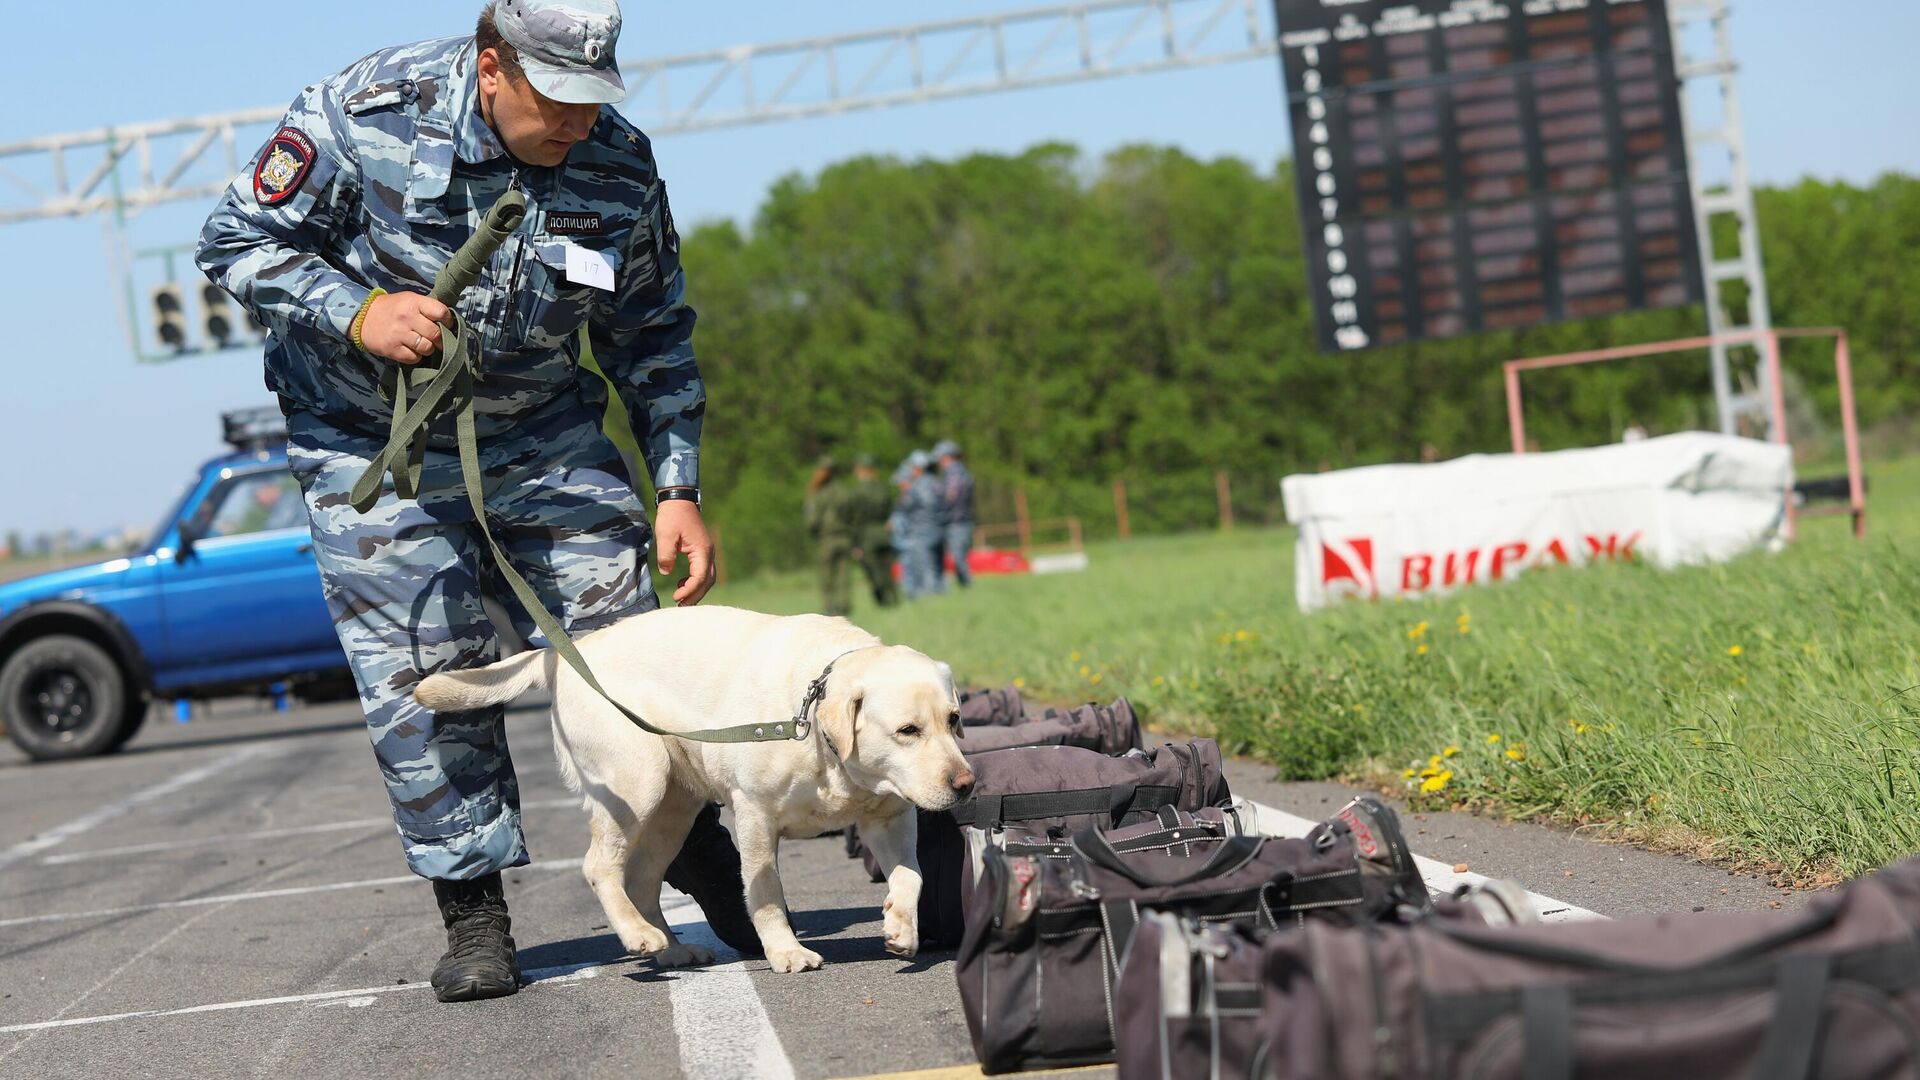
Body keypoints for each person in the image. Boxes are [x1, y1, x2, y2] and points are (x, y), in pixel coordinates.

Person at [196, 0, 757, 1003]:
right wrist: (358, 312)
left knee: (627, 644)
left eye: (596, 98)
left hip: (543, 430)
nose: (579, 121)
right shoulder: (362, 112)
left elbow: (652, 335)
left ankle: (693, 847)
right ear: (491, 66)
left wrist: (678, 486)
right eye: (558, 99)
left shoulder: (617, 166)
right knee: (428, 669)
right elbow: (235, 241)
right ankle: (476, 912)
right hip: (373, 439)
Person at [803, 455, 855, 617]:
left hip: (826, 539)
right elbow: (852, 515)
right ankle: (844, 607)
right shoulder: (845, 491)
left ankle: (830, 608)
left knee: (827, 576)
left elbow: (811, 521)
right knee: (844, 575)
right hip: (845, 537)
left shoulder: (816, 493)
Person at [849, 455, 899, 608]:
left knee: (873, 572)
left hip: (866, 537)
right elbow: (890, 512)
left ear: (860, 470)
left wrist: (855, 544)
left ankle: (883, 603)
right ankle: (895, 599)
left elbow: (856, 520)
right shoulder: (882, 489)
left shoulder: (857, 492)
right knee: (887, 570)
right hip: (884, 534)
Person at [896, 450, 944, 599]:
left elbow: (905, 507)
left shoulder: (915, 487)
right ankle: (940, 595)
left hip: (920, 532)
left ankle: (929, 599)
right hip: (938, 530)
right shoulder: (937, 483)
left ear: (919, 467)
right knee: (937, 567)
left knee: (923, 568)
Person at [932, 439, 975, 588]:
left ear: (948, 457)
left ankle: (968, 587)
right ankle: (965, 587)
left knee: (958, 558)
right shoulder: (957, 473)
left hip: (956, 522)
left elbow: (950, 496)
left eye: (940, 458)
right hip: (956, 521)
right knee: (957, 557)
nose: (939, 462)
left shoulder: (955, 473)